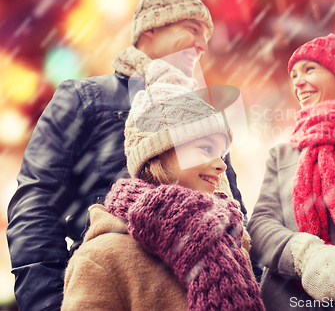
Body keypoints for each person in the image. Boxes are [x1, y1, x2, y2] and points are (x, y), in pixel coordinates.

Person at [7, 0, 244, 311]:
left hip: (203, 291)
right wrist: (49, 303)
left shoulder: (204, 115)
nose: (203, 45)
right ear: (150, 29)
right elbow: (35, 205)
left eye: (206, 37)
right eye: (192, 30)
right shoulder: (85, 98)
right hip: (111, 290)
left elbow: (233, 206)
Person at [61, 82, 264, 311]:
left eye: (221, 153)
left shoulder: (229, 241)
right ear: (158, 153)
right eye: (206, 149)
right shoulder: (101, 259)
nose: (221, 165)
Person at [247, 24, 335, 310]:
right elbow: (259, 225)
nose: (298, 82)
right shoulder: (282, 154)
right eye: (294, 75)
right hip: (287, 298)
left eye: (309, 70)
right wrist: (306, 257)